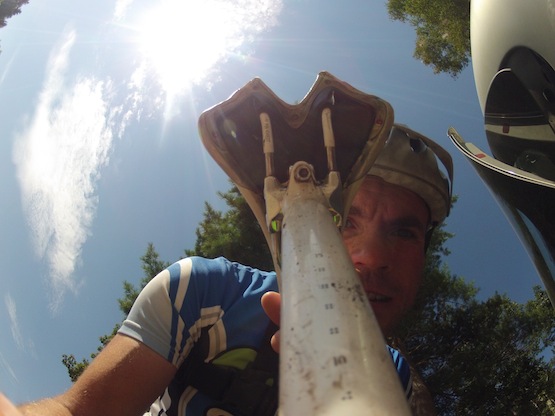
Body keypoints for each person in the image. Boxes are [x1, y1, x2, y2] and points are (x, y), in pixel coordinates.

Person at [2, 123, 452, 416]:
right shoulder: (203, 292)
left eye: (404, 232)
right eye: (347, 220)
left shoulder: (396, 379)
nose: (373, 255)